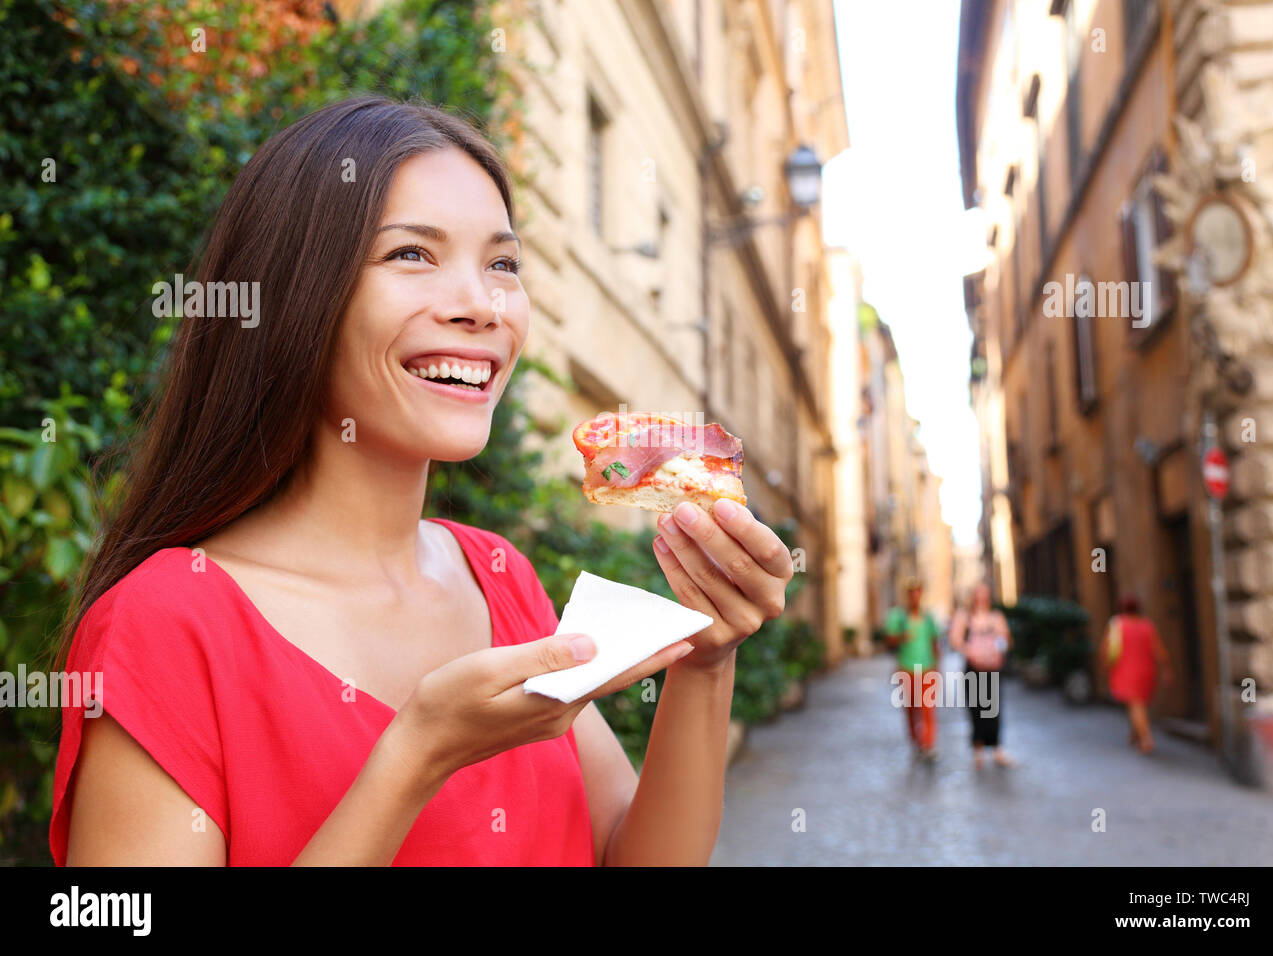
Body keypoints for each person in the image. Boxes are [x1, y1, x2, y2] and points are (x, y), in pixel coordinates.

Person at [48, 96, 796, 866]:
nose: (482, 305)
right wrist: (417, 757)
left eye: (503, 263)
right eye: (411, 254)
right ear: (296, 293)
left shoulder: (498, 574)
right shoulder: (164, 625)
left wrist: (705, 662)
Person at [949, 583, 1015, 769]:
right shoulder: (965, 616)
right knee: (976, 707)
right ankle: (978, 747)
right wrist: (971, 652)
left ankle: (996, 747)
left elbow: (1005, 639)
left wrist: (997, 652)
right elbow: (956, 640)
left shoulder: (995, 617)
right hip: (974, 669)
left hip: (992, 668)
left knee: (993, 708)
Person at [1103, 594, 1173, 755]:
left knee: (1136, 704)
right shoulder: (1147, 625)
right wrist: (1167, 668)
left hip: (1125, 669)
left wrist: (1105, 665)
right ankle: (1135, 735)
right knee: (1138, 704)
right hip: (1146, 669)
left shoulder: (1116, 624)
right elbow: (1159, 649)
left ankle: (1146, 738)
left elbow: (1106, 648)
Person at [884, 578, 941, 760]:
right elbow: (889, 641)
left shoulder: (928, 617)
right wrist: (902, 637)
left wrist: (936, 667)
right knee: (911, 708)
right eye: (912, 593)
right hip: (906, 669)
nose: (915, 597)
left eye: (918, 593)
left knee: (927, 708)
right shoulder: (899, 617)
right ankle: (916, 740)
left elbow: (934, 642)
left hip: (926, 669)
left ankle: (928, 744)